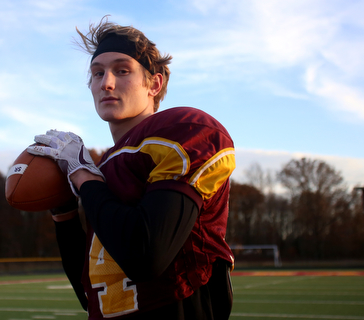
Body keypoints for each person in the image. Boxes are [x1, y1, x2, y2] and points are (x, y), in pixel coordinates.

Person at [28, 16, 235, 320]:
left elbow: (145, 257)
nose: (106, 83)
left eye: (122, 70)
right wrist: (65, 211)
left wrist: (81, 174)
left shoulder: (182, 129)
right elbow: (93, 294)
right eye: (97, 74)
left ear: (154, 83)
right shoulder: (105, 169)